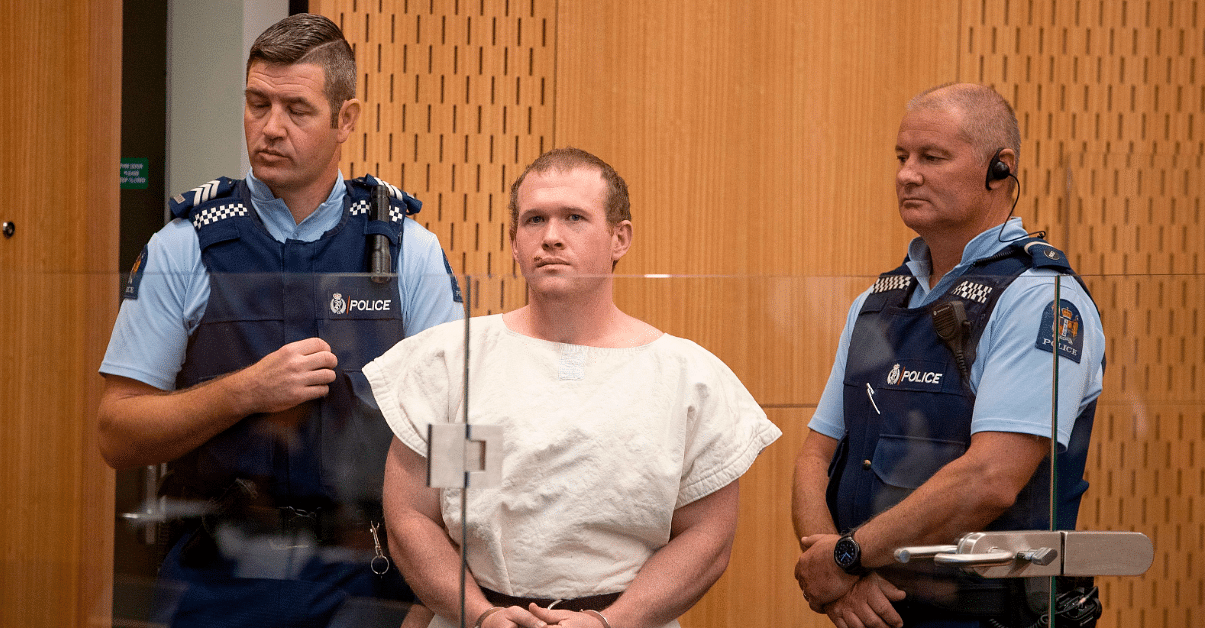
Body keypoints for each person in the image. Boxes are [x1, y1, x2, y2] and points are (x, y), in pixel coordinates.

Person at [97, 13, 463, 627]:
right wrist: (245, 392)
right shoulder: (183, 246)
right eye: (257, 103)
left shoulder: (408, 251)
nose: (270, 128)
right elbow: (116, 433)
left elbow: (461, 435)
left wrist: (435, 596)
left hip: (367, 574)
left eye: (297, 109)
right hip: (219, 569)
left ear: (345, 120)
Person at [365, 147, 781, 628]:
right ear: (514, 242)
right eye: (535, 219)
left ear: (619, 238)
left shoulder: (689, 378)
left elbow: (707, 539)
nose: (552, 237)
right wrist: (480, 615)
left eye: (575, 218)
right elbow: (412, 518)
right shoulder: (454, 362)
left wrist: (612, 622)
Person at [791, 83, 1106, 628]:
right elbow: (815, 457)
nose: (907, 174)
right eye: (902, 157)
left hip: (989, 616)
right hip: (871, 611)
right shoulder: (876, 301)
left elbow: (990, 479)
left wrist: (847, 557)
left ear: (999, 169)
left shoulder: (1040, 299)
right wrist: (838, 579)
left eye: (932, 157)